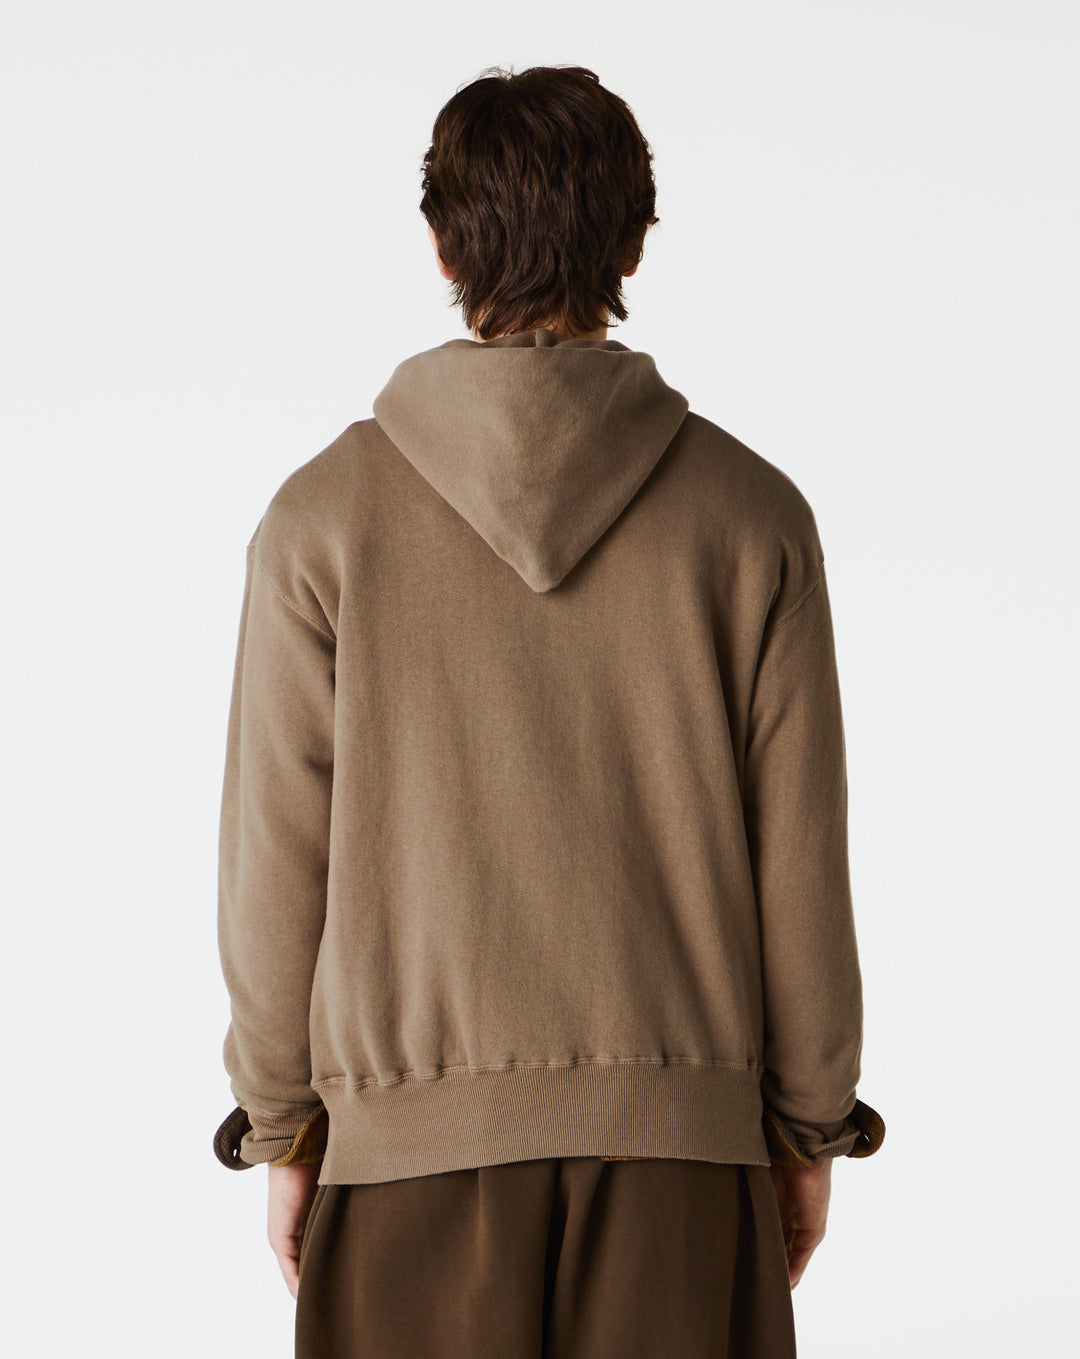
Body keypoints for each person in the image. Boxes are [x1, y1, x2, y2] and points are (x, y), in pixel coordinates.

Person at [211, 63, 885, 1358]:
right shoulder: (752, 517)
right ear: (635, 240)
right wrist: (809, 1130)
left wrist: (283, 1129)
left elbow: (274, 865)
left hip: (402, 1170)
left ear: (441, 246)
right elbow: (803, 862)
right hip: (683, 1162)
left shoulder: (320, 521)